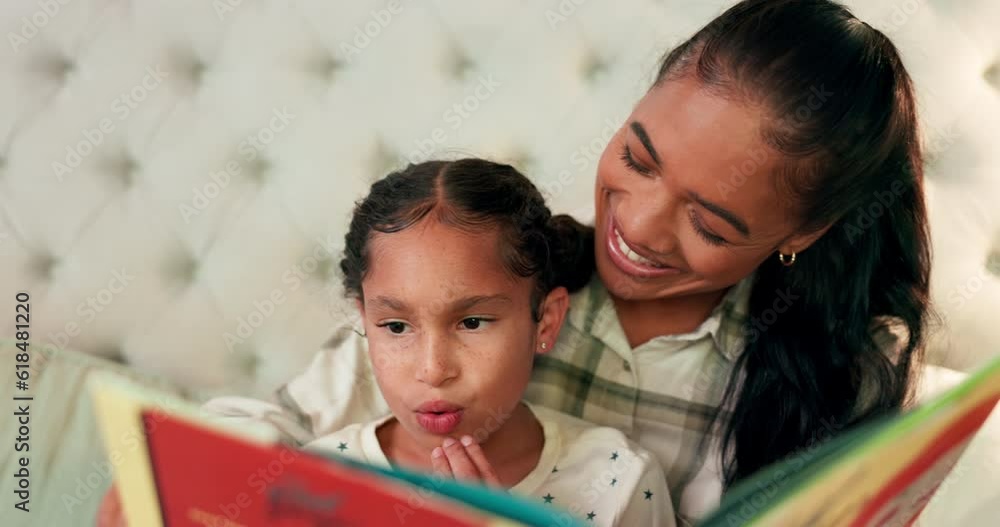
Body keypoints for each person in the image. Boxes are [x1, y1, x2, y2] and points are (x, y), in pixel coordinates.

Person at [100, 1, 932, 525]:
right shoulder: (498, 278)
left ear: (808, 230)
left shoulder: (834, 375)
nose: (636, 227)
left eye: (710, 222)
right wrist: (162, 483)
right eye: (637, 159)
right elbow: (264, 433)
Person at [303, 158, 673, 526]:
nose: (433, 370)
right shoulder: (315, 480)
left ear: (545, 323)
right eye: (397, 327)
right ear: (365, 317)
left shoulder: (618, 480)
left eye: (472, 322)